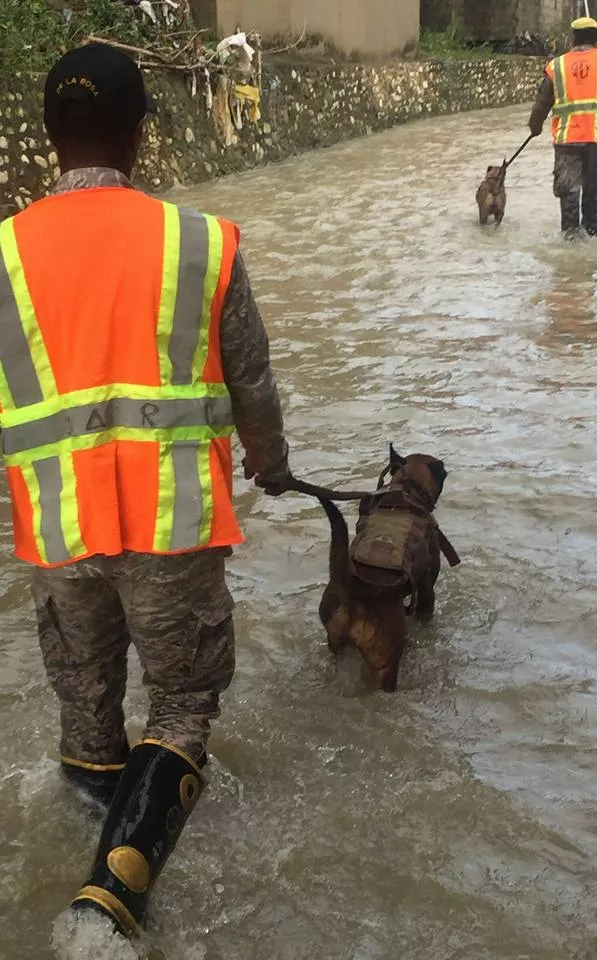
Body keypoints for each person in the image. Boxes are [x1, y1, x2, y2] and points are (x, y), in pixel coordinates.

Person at [0, 43, 291, 937]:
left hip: (58, 532)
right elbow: (252, 379)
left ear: (51, 136)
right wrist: (270, 461)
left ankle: (83, 850)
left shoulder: (3, 254)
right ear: (139, 133)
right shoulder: (199, 242)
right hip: (172, 526)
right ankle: (113, 899)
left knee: (86, 708)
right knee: (184, 703)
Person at [528, 16, 597, 237]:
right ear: (596, 37)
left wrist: (535, 127)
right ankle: (592, 241)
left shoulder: (556, 66)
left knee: (568, 193)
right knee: (593, 193)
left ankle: (570, 243)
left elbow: (541, 104)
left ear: (573, 38)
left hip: (567, 141)